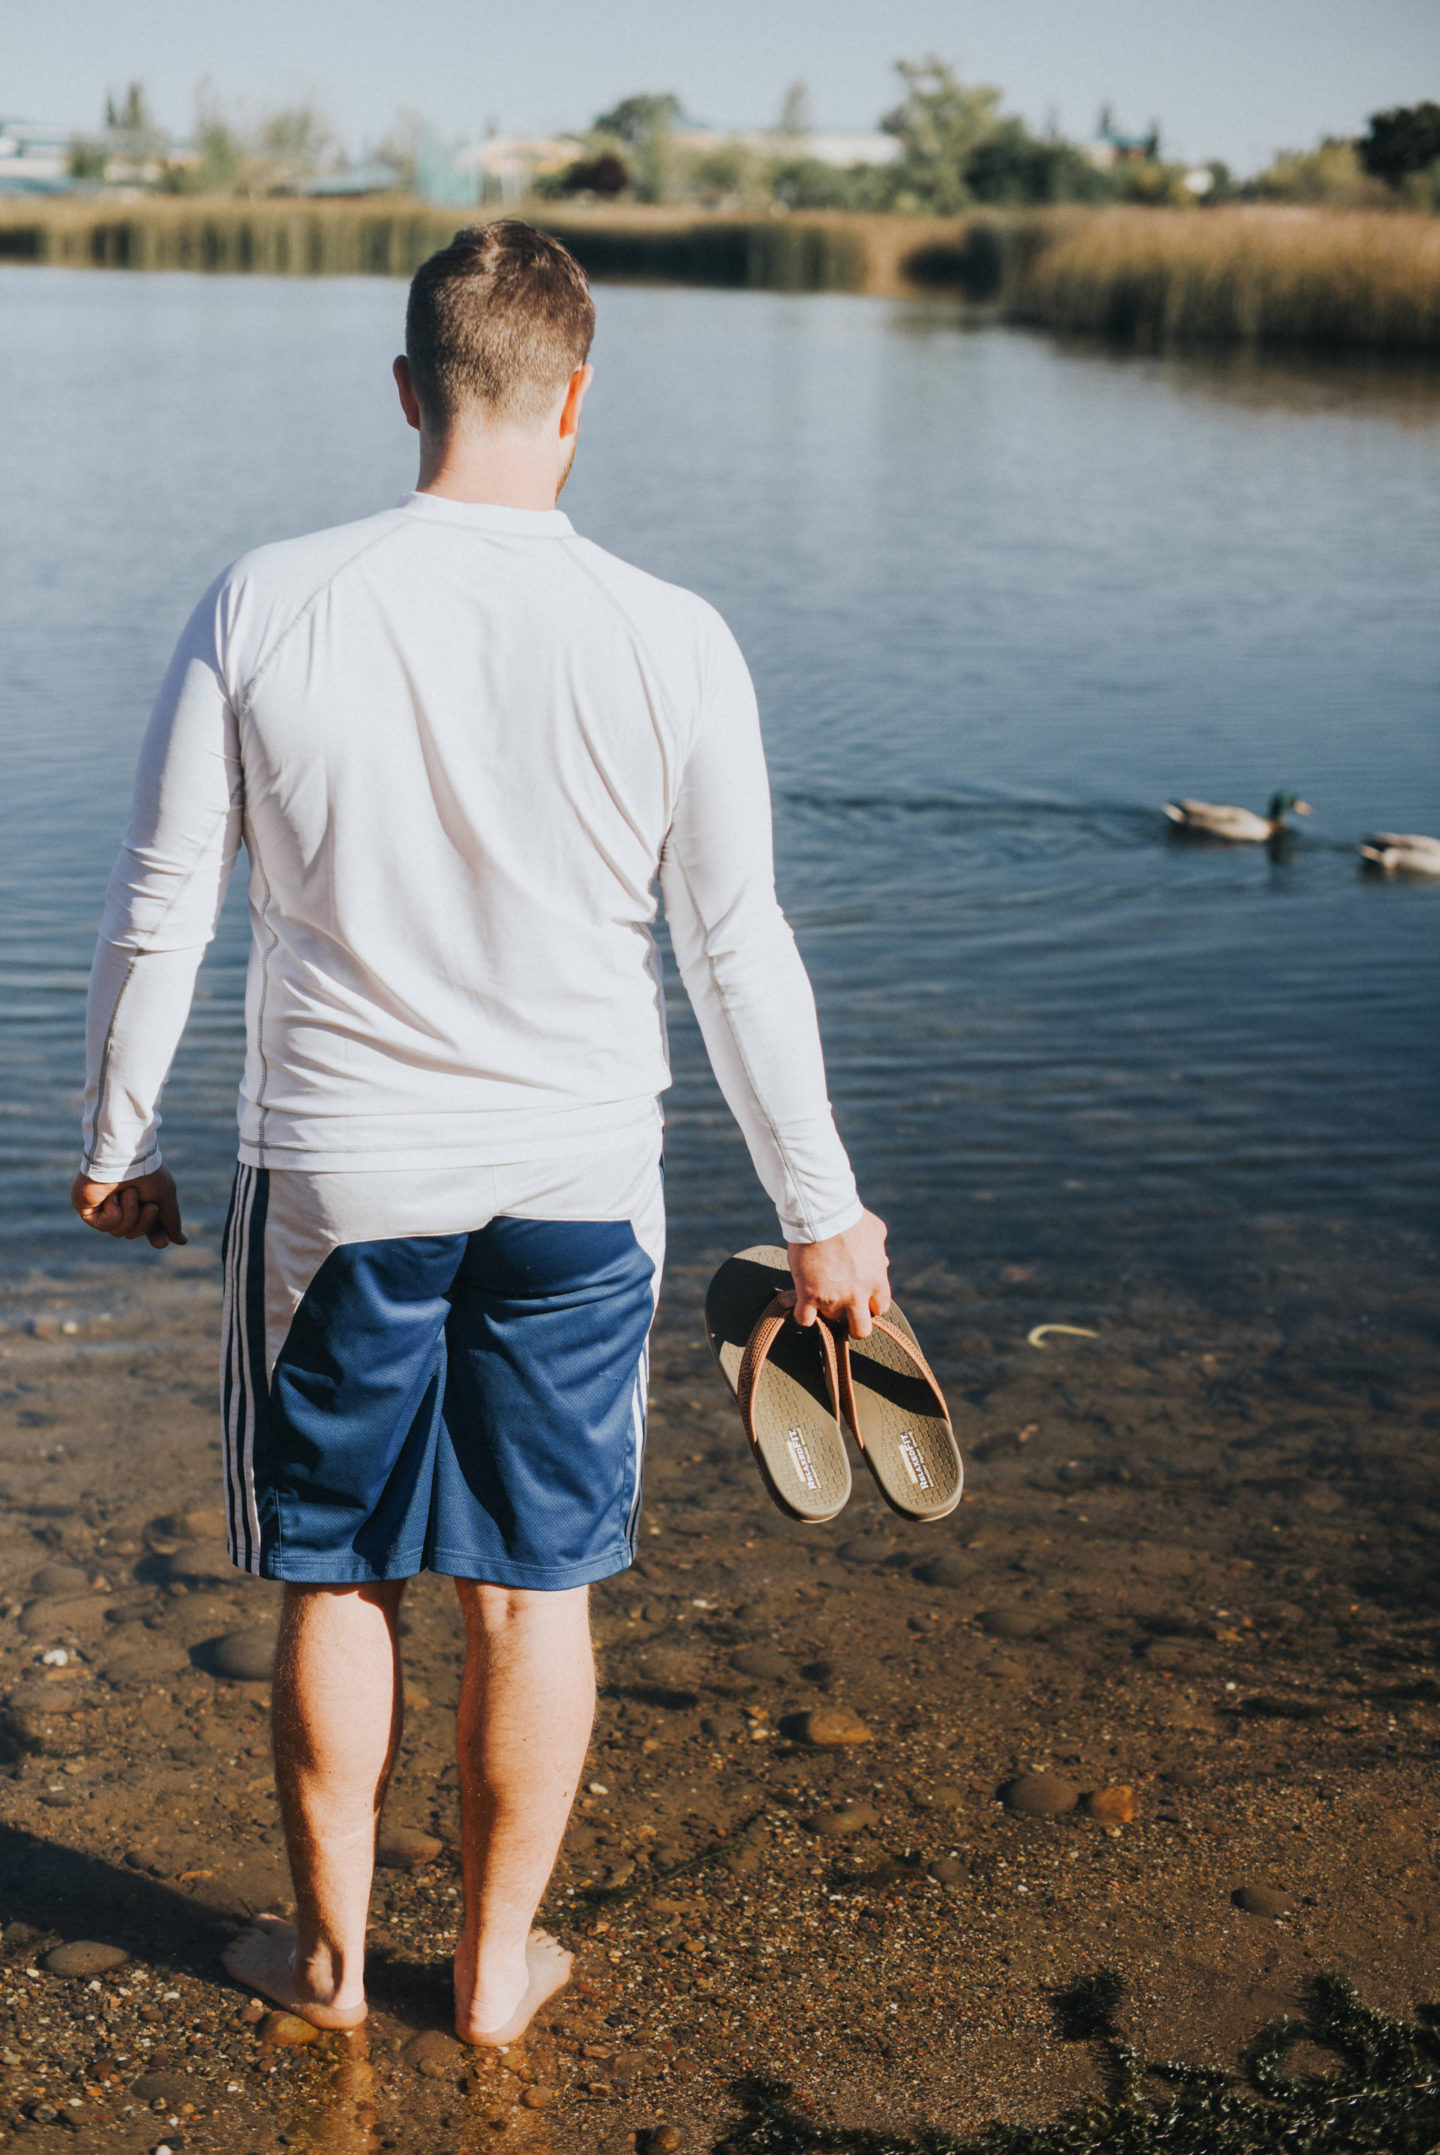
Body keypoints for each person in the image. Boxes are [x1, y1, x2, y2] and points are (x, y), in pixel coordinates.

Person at [70, 220, 890, 2045]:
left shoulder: (267, 595)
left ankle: (338, 1969)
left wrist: (119, 1136)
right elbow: (738, 948)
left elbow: (160, 902)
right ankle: (498, 1975)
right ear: (579, 401)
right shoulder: (675, 636)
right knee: (534, 1590)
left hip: (343, 1180)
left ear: (406, 390)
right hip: (581, 1183)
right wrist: (823, 1209)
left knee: (342, 1566)